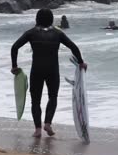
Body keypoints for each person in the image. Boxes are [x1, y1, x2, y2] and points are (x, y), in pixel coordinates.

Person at [11, 9, 87, 138]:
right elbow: (73, 47)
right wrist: (81, 62)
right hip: (52, 70)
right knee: (53, 97)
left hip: (37, 70)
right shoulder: (58, 34)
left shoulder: (31, 33)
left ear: (37, 19)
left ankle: (38, 129)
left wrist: (14, 66)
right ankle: (47, 123)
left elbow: (15, 47)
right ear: (51, 19)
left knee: (35, 101)